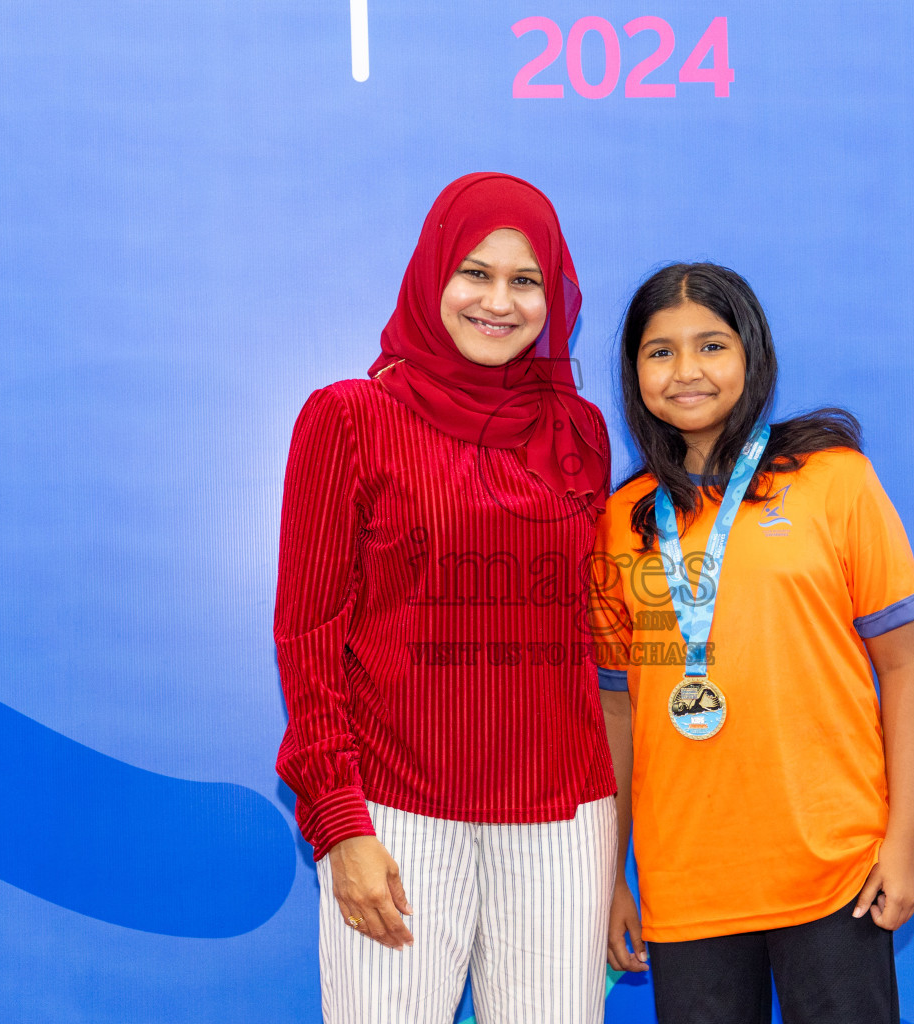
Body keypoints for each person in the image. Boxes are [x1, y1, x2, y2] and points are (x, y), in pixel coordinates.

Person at [274, 173, 617, 1024]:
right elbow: (308, 637)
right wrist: (342, 824)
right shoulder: (349, 418)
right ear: (433, 277)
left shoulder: (578, 432)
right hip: (396, 811)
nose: (499, 301)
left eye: (526, 280)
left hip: (560, 819)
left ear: (555, 294)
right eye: (476, 272)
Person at [590, 263, 914, 1024]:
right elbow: (618, 710)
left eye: (711, 345)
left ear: (752, 354)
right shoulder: (622, 519)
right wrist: (611, 875)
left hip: (834, 870)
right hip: (688, 882)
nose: (687, 371)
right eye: (660, 352)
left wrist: (902, 842)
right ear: (633, 373)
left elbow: (906, 667)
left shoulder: (832, 481)